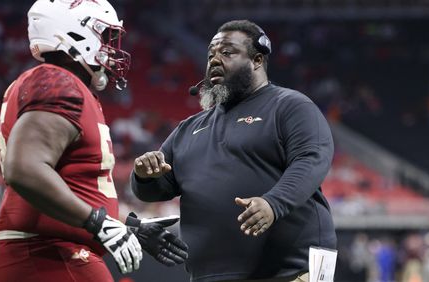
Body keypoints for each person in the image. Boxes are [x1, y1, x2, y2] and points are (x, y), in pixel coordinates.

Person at [0, 0, 187, 281]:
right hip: (48, 253)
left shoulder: (64, 85)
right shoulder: (58, 82)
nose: (112, 48)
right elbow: (24, 169)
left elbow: (73, 187)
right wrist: (99, 223)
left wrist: (127, 227)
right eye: (105, 37)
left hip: (50, 250)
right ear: (73, 34)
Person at [131, 20, 336, 282]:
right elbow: (154, 190)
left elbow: (312, 160)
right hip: (210, 276)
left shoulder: (290, 106)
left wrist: (273, 203)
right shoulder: (188, 129)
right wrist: (144, 175)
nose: (215, 60)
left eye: (227, 52)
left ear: (257, 60)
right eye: (211, 55)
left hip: (290, 271)